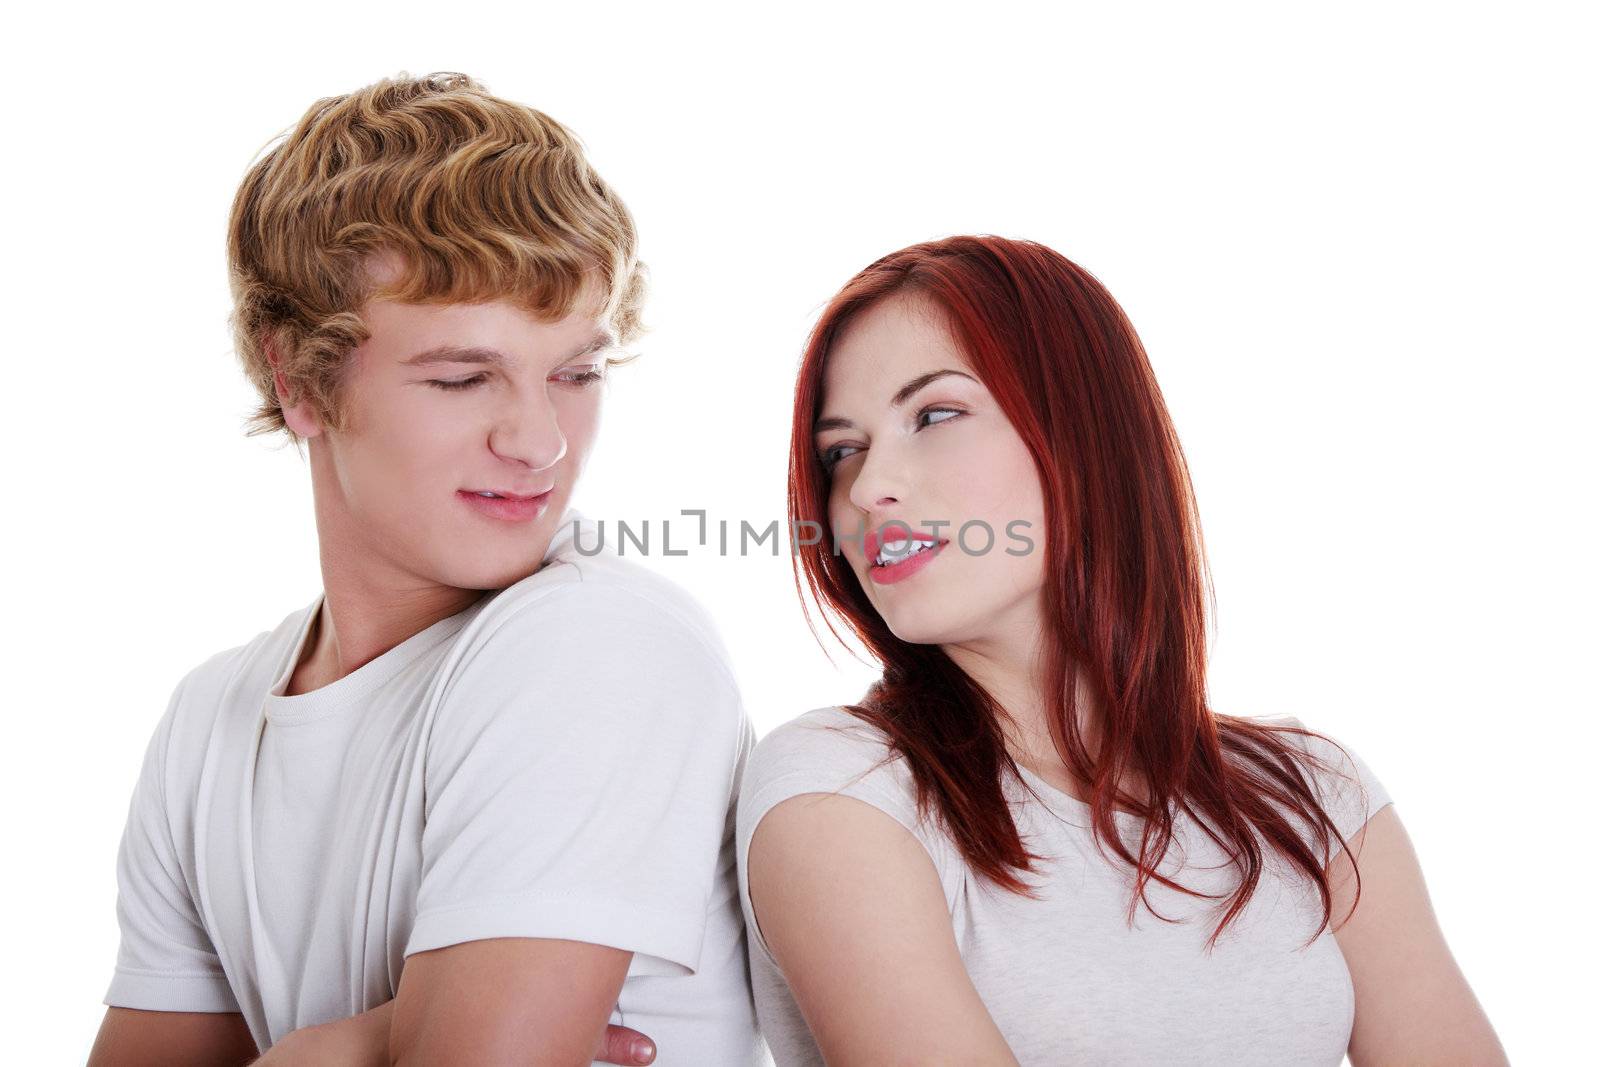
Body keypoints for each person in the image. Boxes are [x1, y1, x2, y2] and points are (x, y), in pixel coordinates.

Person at [88, 72, 761, 1067]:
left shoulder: (596, 644)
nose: (540, 441)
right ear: (298, 379)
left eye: (576, 373)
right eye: (461, 377)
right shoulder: (210, 720)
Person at [737, 235, 1508, 1065]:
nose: (866, 486)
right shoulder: (838, 792)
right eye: (840, 449)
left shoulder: (1317, 799)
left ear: (1082, 431)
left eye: (933, 414)